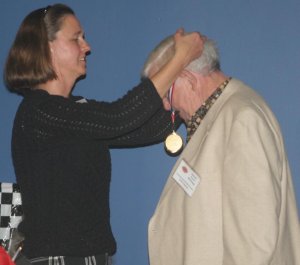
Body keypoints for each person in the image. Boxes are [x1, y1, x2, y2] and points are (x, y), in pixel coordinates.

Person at [3, 3, 204, 265]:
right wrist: (179, 59)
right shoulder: (38, 112)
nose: (87, 46)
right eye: (76, 38)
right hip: (56, 259)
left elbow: (145, 129)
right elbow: (119, 118)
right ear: (47, 46)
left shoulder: (74, 111)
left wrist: (183, 101)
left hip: (94, 258)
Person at [142, 35, 300, 264]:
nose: (166, 106)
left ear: (189, 79)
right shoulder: (223, 115)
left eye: (167, 93)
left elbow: (253, 243)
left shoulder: (242, 119)